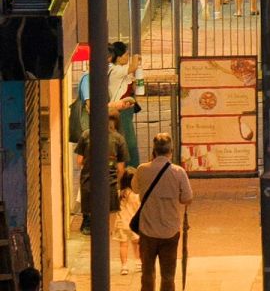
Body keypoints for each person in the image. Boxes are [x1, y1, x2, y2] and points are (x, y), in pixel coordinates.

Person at [132, 132, 193, 291]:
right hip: (170, 231)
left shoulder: (142, 169)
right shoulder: (178, 172)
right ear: (170, 151)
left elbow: (135, 189)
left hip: (147, 230)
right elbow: (187, 198)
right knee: (168, 275)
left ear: (154, 151)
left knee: (147, 273)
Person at [76, 107, 128, 237]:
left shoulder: (86, 135)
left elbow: (79, 160)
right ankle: (107, 233)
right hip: (109, 183)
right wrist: (117, 181)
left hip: (89, 182)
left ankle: (89, 224)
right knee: (108, 217)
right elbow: (121, 168)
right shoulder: (119, 139)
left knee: (91, 212)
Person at [108, 40, 142, 165]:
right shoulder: (116, 70)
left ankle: (130, 167)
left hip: (127, 110)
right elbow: (133, 66)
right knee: (128, 142)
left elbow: (132, 87)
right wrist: (137, 57)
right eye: (126, 54)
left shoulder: (122, 70)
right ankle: (130, 168)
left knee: (128, 141)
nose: (128, 57)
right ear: (119, 57)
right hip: (121, 110)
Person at [116, 166, 140, 275]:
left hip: (121, 223)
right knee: (137, 244)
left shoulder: (120, 194)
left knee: (123, 245)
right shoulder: (136, 195)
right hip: (133, 223)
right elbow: (139, 208)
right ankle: (138, 262)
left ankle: (124, 266)